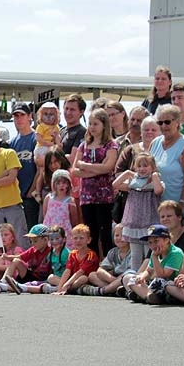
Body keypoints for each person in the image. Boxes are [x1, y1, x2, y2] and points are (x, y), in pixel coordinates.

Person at [71, 108, 118, 257]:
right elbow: (75, 170)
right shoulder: (83, 145)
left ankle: (108, 263)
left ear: (104, 125)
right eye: (90, 123)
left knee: (105, 233)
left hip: (104, 197)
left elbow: (108, 167)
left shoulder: (111, 145)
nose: (92, 127)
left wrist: (85, 166)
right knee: (91, 233)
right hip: (87, 197)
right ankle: (92, 262)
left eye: (95, 124)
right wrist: (97, 169)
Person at [150, 104, 184, 223]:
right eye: (160, 122)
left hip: (179, 206)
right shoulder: (155, 143)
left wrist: (182, 203)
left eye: (167, 122)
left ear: (177, 122)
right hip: (159, 206)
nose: (163, 126)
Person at [113, 153, 164, 269]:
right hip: (134, 223)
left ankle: (147, 278)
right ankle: (133, 277)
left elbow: (158, 191)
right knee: (135, 254)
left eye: (145, 166)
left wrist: (155, 175)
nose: (142, 169)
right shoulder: (133, 184)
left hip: (149, 222)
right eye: (139, 166)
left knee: (149, 253)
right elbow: (115, 184)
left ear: (152, 167)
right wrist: (127, 173)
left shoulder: (154, 182)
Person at [9, 101, 39, 230]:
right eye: (16, 116)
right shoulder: (13, 142)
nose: (19, 119)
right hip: (16, 197)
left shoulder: (36, 138)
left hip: (31, 196)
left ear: (29, 116)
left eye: (22, 115)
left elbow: (40, 169)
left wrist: (32, 190)